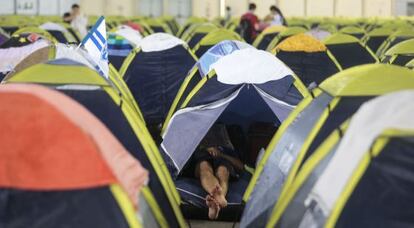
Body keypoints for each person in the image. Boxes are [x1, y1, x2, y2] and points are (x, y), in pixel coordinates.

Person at [183, 124, 244, 220]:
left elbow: (241, 166)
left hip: (223, 159)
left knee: (222, 170)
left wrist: (221, 155)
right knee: (204, 166)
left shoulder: (228, 149)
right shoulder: (197, 145)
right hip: (203, 156)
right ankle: (219, 199)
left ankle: (217, 202)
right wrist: (206, 148)